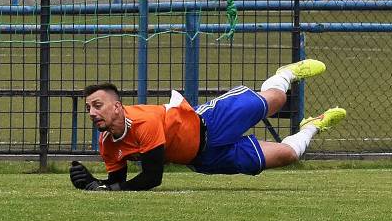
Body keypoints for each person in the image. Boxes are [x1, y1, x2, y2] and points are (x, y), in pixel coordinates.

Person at [69, 59, 346, 191]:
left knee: (276, 99)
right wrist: (95, 184)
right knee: (289, 155)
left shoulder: (144, 122)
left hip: (212, 122)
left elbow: (152, 178)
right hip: (206, 158)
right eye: (88, 108)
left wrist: (106, 189)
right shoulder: (108, 143)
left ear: (117, 106)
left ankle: (285, 73)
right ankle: (313, 125)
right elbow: (119, 184)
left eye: (97, 105)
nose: (92, 112)